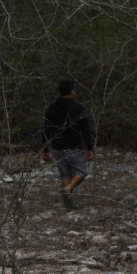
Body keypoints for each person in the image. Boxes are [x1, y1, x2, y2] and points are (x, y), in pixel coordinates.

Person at [42, 80, 96, 211]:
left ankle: (69, 204)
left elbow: (46, 130)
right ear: (72, 91)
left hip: (58, 148)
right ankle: (67, 190)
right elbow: (86, 130)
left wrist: (45, 149)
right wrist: (90, 148)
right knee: (81, 172)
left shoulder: (51, 109)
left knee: (65, 174)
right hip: (73, 147)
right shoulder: (78, 108)